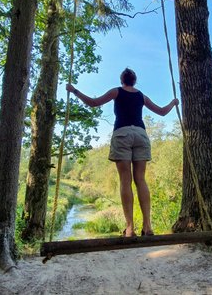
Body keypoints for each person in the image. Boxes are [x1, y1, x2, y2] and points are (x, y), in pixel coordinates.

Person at [66, 68, 179, 237]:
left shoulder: (116, 91)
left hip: (122, 134)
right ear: (135, 80)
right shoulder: (141, 95)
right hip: (141, 135)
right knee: (140, 179)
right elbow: (162, 112)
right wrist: (174, 102)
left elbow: (93, 103)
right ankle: (147, 227)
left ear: (122, 80)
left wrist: (74, 90)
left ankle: (130, 228)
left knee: (125, 180)